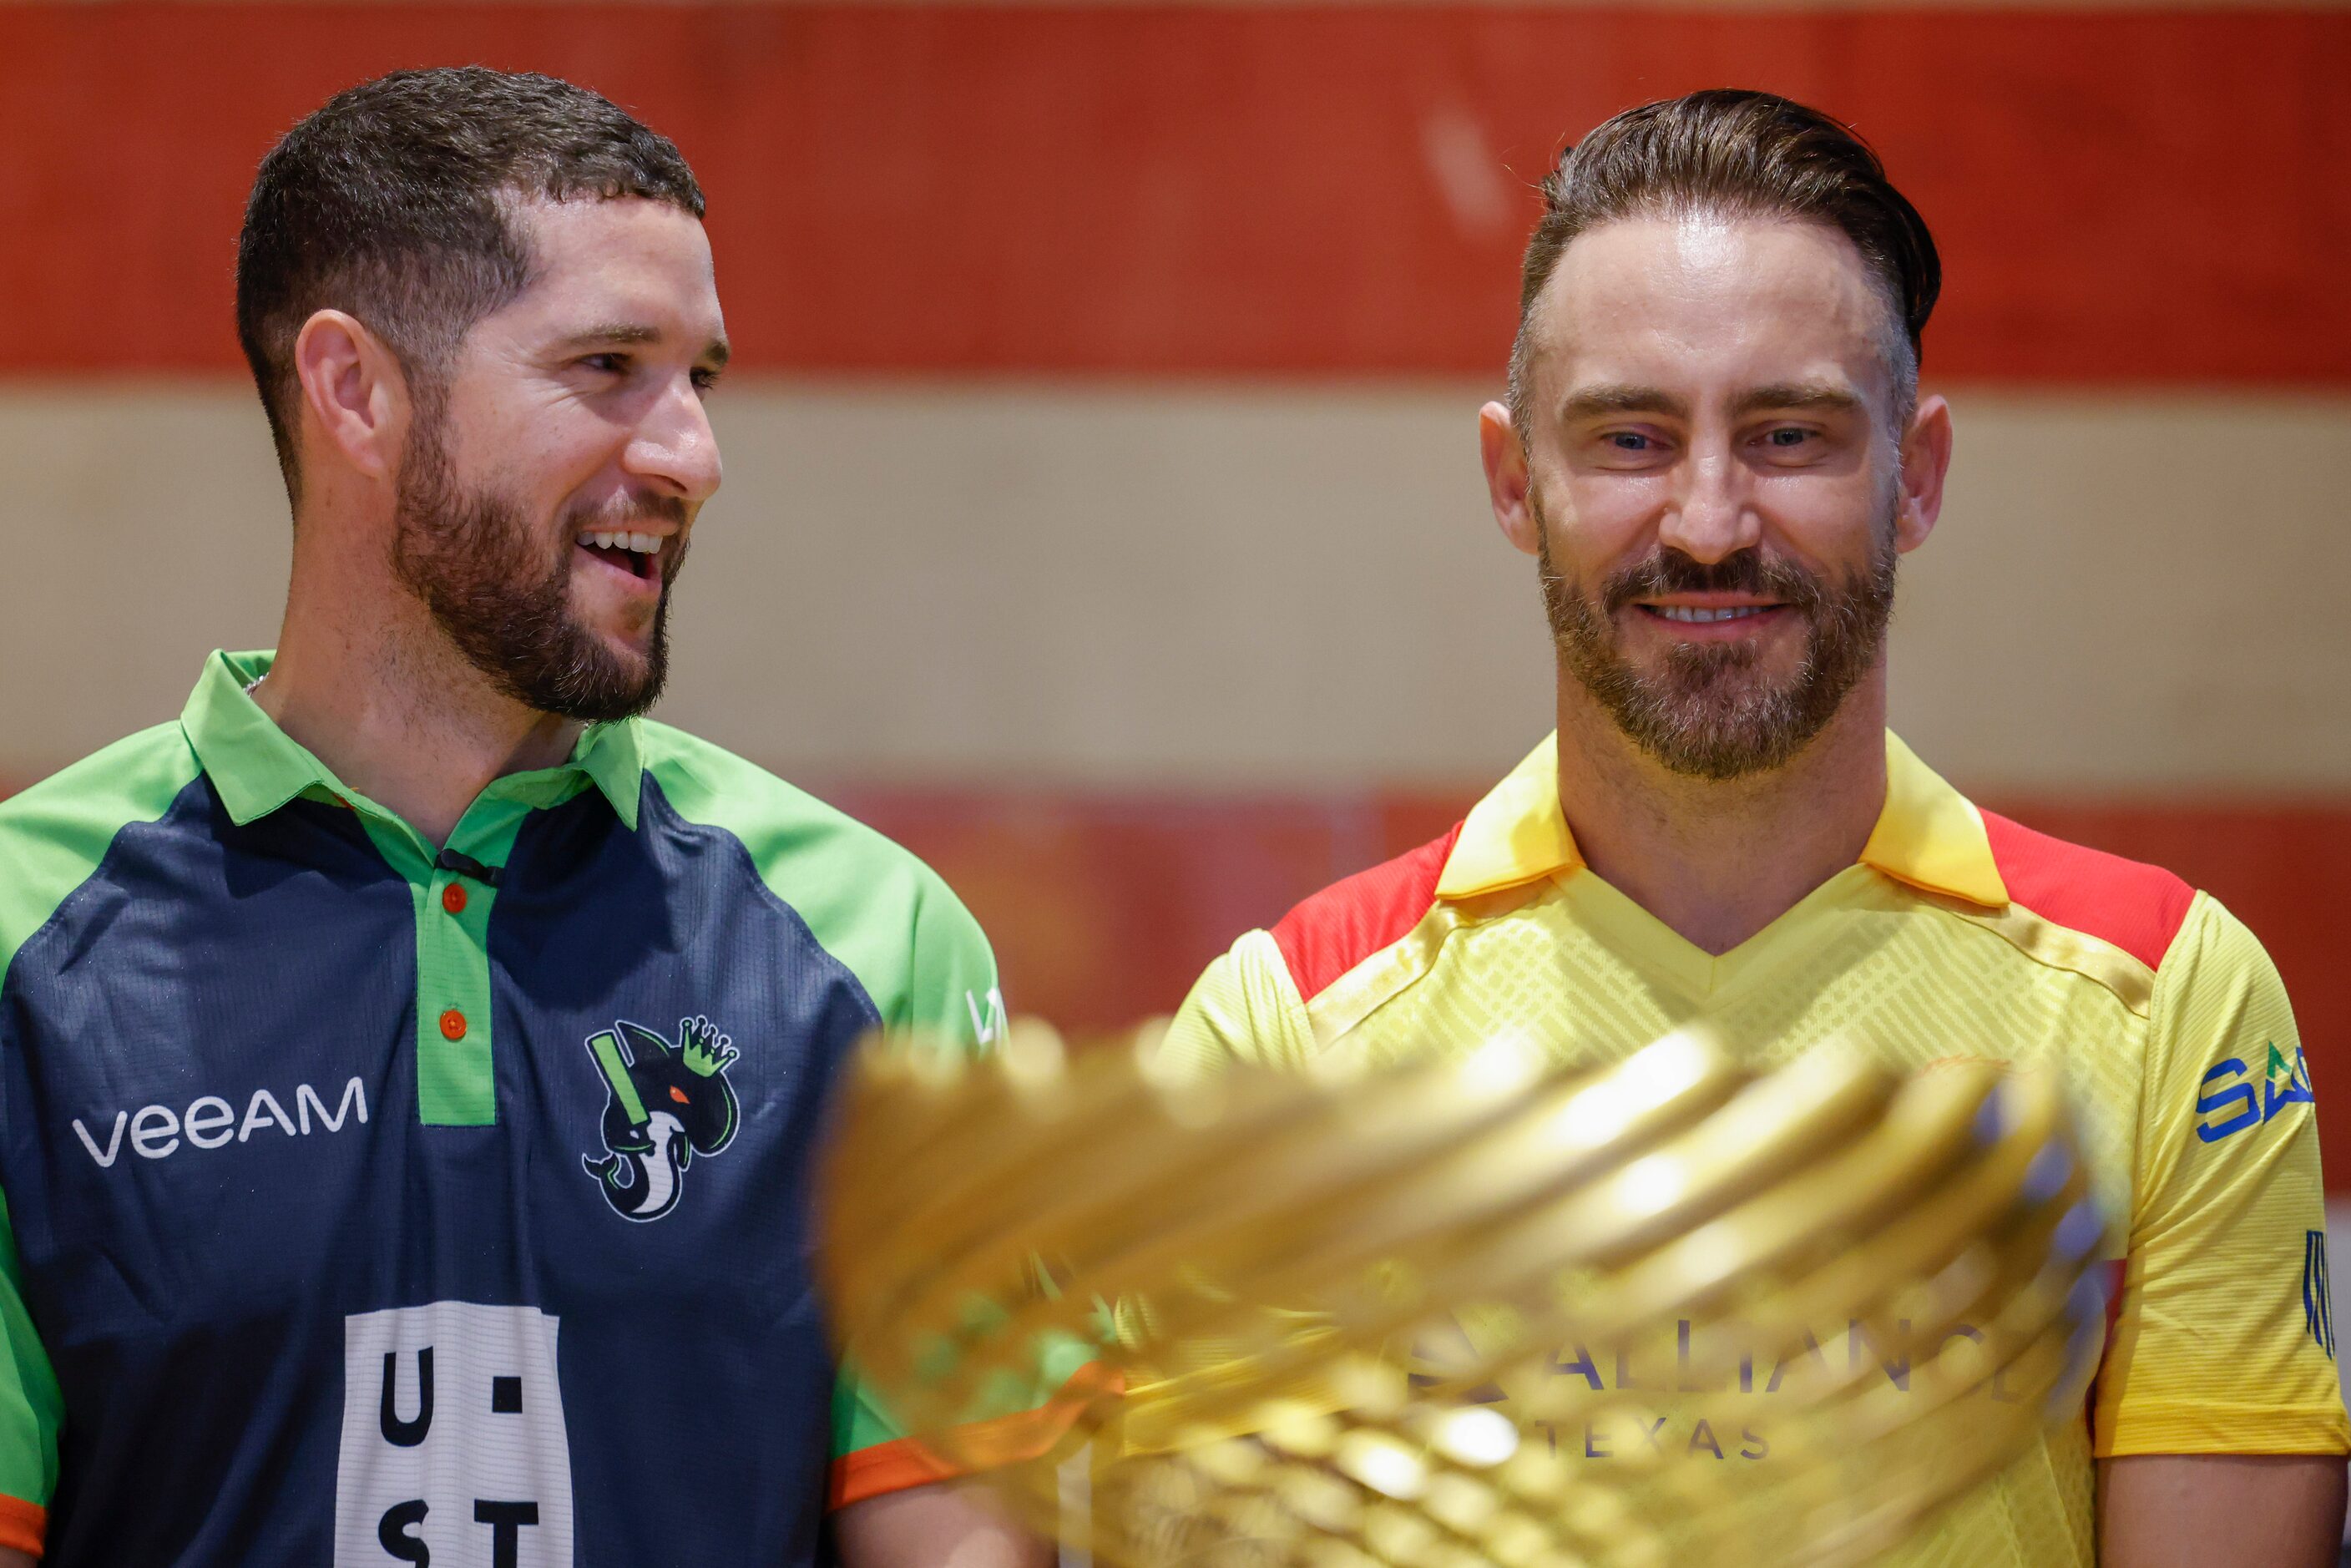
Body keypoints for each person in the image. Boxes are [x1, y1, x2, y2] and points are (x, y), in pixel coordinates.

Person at [1165, 89, 2349, 1565]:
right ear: (1512, 481)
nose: (1711, 518)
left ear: (1913, 478)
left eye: (1788, 434)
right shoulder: (1281, 1040)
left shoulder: (2173, 1000)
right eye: (1631, 437)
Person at [0, 68, 1065, 1567]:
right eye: (610, 365)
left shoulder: (873, 948)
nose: (692, 455)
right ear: (354, 390)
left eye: (702, 378)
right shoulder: (22, 951)